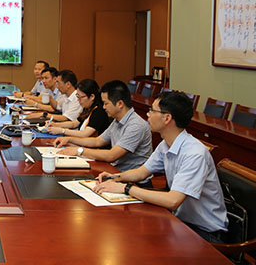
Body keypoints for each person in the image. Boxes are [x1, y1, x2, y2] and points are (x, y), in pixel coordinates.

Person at [94, 91, 228, 242]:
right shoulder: (166, 144)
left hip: (205, 232)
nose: (148, 114)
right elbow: (141, 172)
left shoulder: (195, 153)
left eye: (152, 110)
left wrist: (126, 188)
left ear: (167, 118)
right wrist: (114, 177)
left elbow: (173, 201)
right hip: (180, 221)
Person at [54, 80, 152, 175]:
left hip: (131, 179)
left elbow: (112, 155)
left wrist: (79, 151)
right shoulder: (117, 120)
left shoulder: (135, 125)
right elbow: (98, 141)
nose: (104, 107)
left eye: (106, 103)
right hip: (115, 172)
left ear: (120, 104)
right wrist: (69, 139)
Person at [47, 78, 111, 137]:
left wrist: (62, 131)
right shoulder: (87, 108)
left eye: (80, 97)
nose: (78, 100)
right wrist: (55, 125)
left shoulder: (99, 111)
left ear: (92, 96)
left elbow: (85, 134)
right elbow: (74, 123)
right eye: (77, 96)